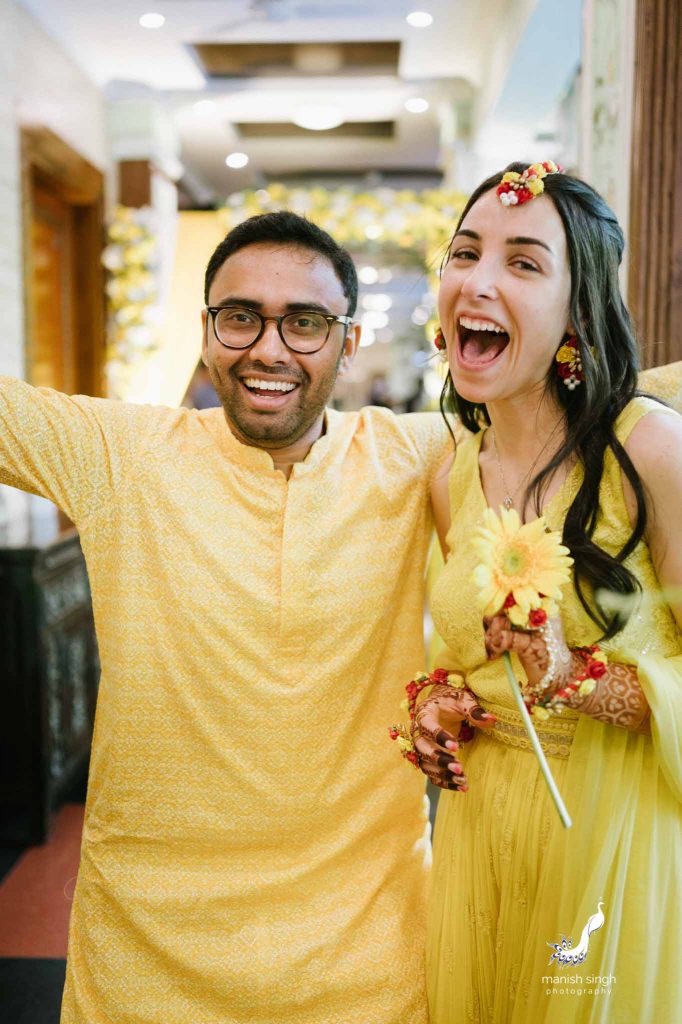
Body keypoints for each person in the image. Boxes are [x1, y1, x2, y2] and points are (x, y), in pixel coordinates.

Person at [0, 212, 451, 1024]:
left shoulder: (415, 454)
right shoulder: (125, 453)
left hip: (366, 953)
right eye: (240, 317)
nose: (269, 350)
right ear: (208, 333)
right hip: (149, 951)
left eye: (305, 323)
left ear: (348, 344)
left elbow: (606, 401)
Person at [412, 163, 682, 1023]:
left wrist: (570, 674)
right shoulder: (451, 474)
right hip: (478, 835)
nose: (478, 281)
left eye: (524, 262)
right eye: (465, 253)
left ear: (577, 310)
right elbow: (461, 660)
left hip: (610, 836)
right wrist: (440, 704)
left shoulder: (653, 454)